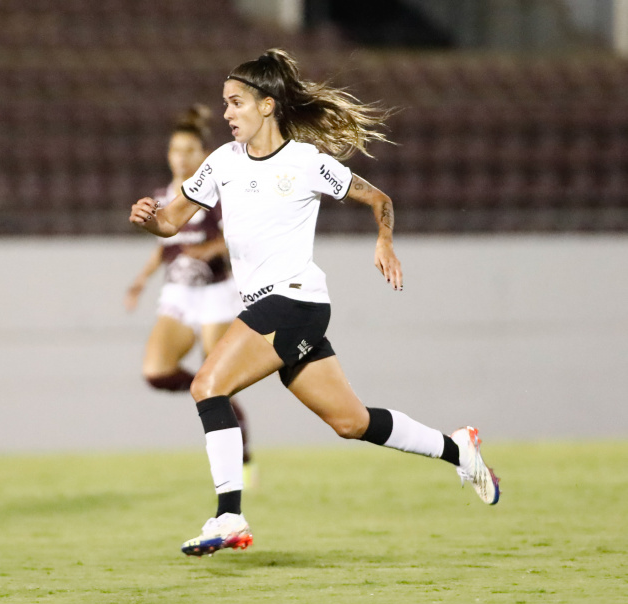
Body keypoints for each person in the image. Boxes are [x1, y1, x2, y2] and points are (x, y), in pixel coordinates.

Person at [128, 49, 500, 558]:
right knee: (352, 423)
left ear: (267, 105)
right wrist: (149, 217)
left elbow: (379, 199)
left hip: (294, 302)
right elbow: (170, 222)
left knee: (207, 384)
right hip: (273, 307)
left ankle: (229, 515)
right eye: (225, 104)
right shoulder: (221, 164)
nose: (227, 113)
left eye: (235, 102)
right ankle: (460, 449)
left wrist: (384, 241)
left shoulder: (305, 163)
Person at [125, 105, 255, 483]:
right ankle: (209, 394)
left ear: (203, 155)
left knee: (218, 382)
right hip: (179, 294)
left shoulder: (216, 192)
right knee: (156, 371)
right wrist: (142, 278)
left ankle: (239, 459)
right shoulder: (161, 196)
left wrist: (209, 250)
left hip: (216, 293)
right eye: (174, 150)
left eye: (187, 150)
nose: (179, 157)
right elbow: (165, 245)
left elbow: (232, 237)